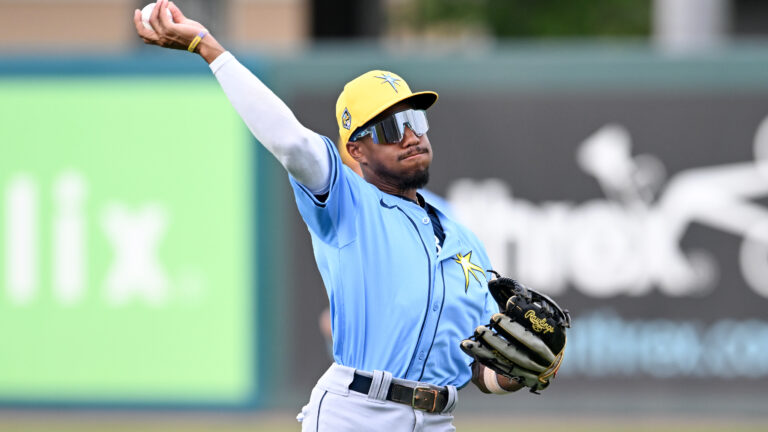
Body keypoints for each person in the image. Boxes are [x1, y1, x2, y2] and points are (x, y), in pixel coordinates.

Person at [134, 2, 523, 430]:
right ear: (356, 150)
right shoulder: (347, 204)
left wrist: (516, 373)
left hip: (438, 419)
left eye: (415, 119)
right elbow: (292, 143)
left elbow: (478, 367)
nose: (411, 136)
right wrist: (210, 50)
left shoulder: (465, 240)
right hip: (357, 413)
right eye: (391, 128)